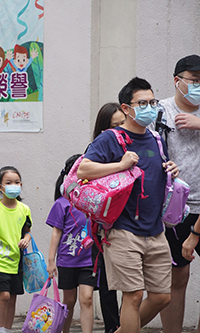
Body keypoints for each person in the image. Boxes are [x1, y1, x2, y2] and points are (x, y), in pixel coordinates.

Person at [78, 77, 179, 333]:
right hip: (123, 231)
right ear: (126, 108)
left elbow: (155, 173)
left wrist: (170, 169)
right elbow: (83, 169)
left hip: (156, 231)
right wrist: (120, 165)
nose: (150, 107)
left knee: (161, 296)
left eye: (152, 102)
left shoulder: (156, 139)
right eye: (142, 102)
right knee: (132, 296)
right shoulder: (111, 138)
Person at [154, 54, 200, 333]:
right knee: (177, 277)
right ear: (177, 81)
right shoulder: (159, 111)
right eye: (194, 80)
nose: (197, 86)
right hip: (175, 209)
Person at [47, 154, 96, 333]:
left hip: (89, 260)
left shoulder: (94, 202)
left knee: (87, 298)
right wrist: (51, 260)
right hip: (67, 261)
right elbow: (56, 232)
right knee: (68, 301)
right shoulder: (62, 204)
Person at [91, 102, 126, 333]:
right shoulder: (95, 152)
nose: (121, 130)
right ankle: (112, 328)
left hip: (134, 226)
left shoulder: (138, 146)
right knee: (107, 284)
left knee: (134, 288)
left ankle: (127, 326)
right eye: (115, 126)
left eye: (124, 123)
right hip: (105, 229)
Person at [0, 166, 32, 333]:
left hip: (17, 261)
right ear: (0, 187)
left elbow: (27, 231)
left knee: (13, 298)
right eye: (8, 182)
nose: (13, 185)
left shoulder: (24, 209)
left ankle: (7, 329)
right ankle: (0, 330)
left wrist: (25, 239)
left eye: (16, 182)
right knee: (4, 295)